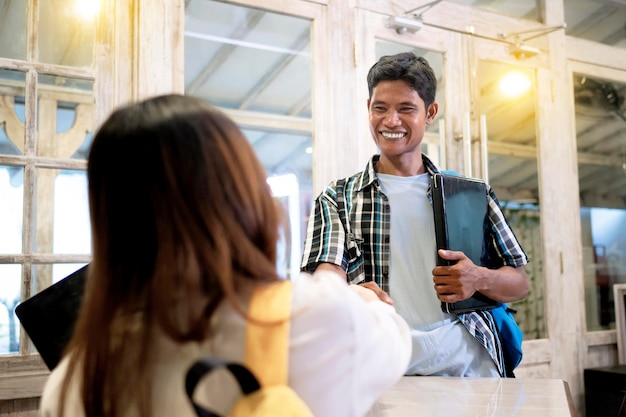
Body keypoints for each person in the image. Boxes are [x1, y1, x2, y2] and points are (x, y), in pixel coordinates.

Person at [40, 94, 412, 417]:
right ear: (242, 200)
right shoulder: (311, 319)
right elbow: (395, 341)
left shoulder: (72, 382)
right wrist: (363, 300)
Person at [301, 52, 530, 378]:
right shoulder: (338, 198)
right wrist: (350, 292)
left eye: (406, 109)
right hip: (381, 368)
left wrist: (479, 278)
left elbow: (519, 283)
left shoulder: (468, 195)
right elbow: (325, 282)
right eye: (380, 108)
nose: (390, 121)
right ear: (369, 108)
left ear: (430, 112)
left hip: (471, 365)